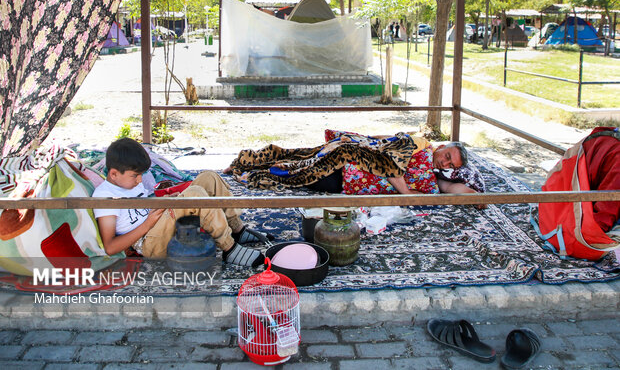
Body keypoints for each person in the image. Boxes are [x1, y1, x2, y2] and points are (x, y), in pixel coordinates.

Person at [92, 138, 269, 268]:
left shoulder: (126, 181)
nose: (139, 180)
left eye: (140, 175)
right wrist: (148, 224)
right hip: (148, 242)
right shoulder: (105, 196)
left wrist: (165, 200)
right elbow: (110, 247)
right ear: (114, 174)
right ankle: (229, 248)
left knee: (209, 177)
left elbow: (142, 205)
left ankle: (236, 229)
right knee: (195, 194)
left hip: (158, 222)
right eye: (135, 176)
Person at [224, 131, 481, 197]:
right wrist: (405, 193)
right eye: (447, 154)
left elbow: (385, 140)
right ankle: (245, 166)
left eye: (450, 163)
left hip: (347, 163)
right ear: (443, 146)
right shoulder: (421, 144)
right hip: (345, 165)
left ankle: (245, 162)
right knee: (294, 171)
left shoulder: (430, 172)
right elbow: (390, 163)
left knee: (297, 160)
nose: (444, 160)